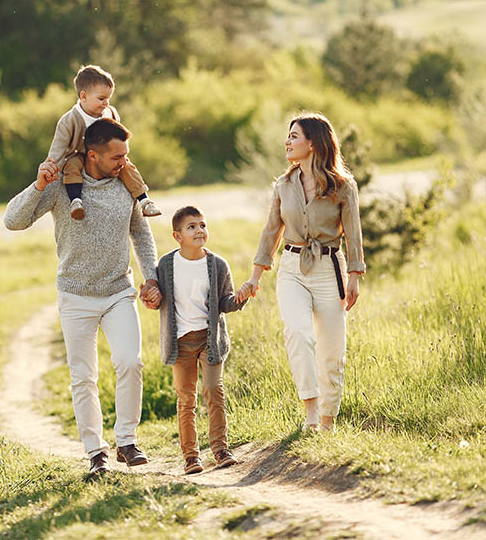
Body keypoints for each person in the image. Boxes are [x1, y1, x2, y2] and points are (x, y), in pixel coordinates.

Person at [4, 118, 161, 477]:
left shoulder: (126, 183)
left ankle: (127, 440)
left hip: (118, 291)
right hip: (75, 295)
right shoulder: (62, 185)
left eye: (126, 155)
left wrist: (151, 277)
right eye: (116, 156)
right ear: (92, 155)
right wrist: (37, 185)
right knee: (83, 377)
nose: (125, 162)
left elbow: (142, 234)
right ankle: (96, 452)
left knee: (130, 362)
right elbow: (13, 221)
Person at [236, 112, 365, 432]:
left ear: (313, 142)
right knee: (298, 333)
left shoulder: (342, 186)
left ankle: (327, 421)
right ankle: (310, 409)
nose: (287, 142)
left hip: (329, 269)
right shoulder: (283, 185)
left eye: (294, 136)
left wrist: (354, 276)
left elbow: (353, 233)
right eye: (288, 136)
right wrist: (255, 276)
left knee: (333, 351)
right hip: (291, 269)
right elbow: (271, 232)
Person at [143, 206, 247, 474]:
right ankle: (191, 456)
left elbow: (224, 302)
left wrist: (239, 300)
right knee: (185, 397)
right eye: (192, 227)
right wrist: (149, 298)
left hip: (209, 340)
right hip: (180, 343)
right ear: (177, 236)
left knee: (214, 390)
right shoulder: (166, 265)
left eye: (202, 225)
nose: (199, 230)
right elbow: (158, 300)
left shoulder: (217, 264)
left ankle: (220, 449)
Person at [46, 64, 161, 220]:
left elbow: (119, 135)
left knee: (127, 167)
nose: (106, 103)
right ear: (83, 96)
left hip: (106, 155)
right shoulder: (69, 120)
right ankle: (75, 201)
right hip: (80, 155)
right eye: (101, 99)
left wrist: (122, 155)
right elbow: (58, 148)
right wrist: (52, 167)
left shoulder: (110, 112)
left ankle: (144, 201)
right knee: (71, 166)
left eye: (108, 98)